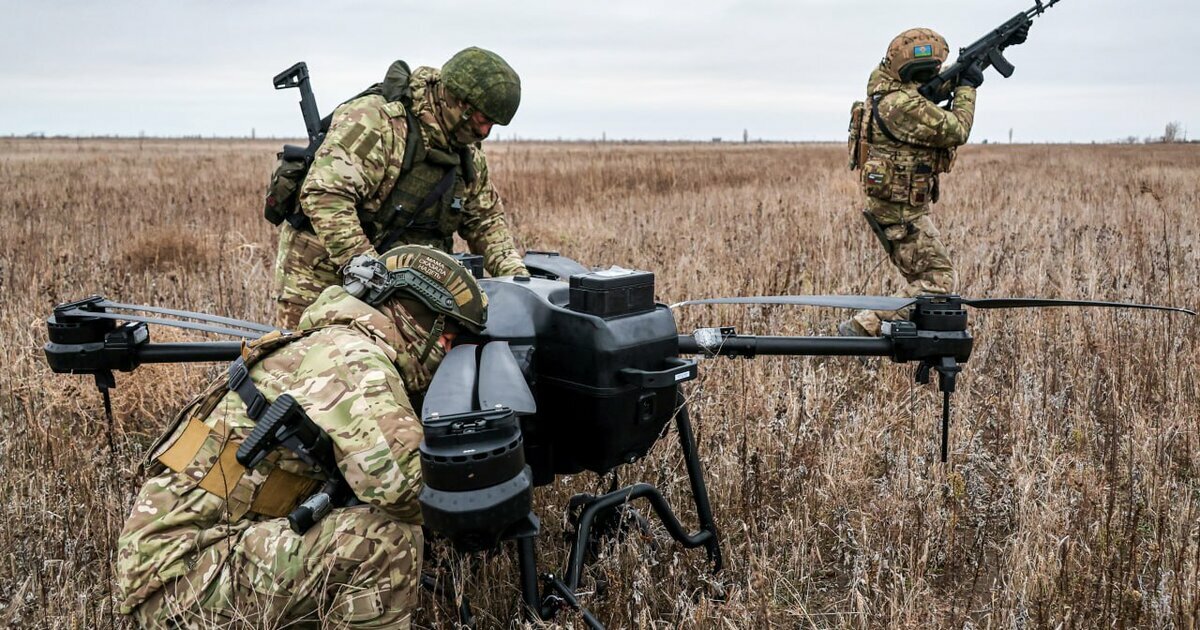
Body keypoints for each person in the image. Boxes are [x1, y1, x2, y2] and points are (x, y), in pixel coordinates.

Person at [116, 245, 488, 628]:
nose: (447, 356)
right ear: (421, 326)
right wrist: (495, 480)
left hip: (185, 560)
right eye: (449, 342)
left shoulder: (329, 341)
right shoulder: (352, 357)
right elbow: (406, 489)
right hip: (181, 579)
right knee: (384, 539)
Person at [272, 47, 529, 329]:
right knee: (310, 353)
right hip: (322, 272)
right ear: (459, 102)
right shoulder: (377, 122)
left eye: (493, 124)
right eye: (482, 120)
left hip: (395, 283)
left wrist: (517, 278)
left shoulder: (466, 151)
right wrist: (370, 272)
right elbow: (325, 195)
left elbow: (485, 221)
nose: (485, 132)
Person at [840, 24, 1026, 337]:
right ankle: (864, 326)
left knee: (931, 279)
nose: (936, 73)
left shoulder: (894, 93)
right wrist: (967, 89)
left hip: (900, 206)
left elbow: (937, 88)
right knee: (937, 281)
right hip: (900, 211)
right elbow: (957, 129)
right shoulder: (901, 106)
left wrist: (997, 49)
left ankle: (896, 333)